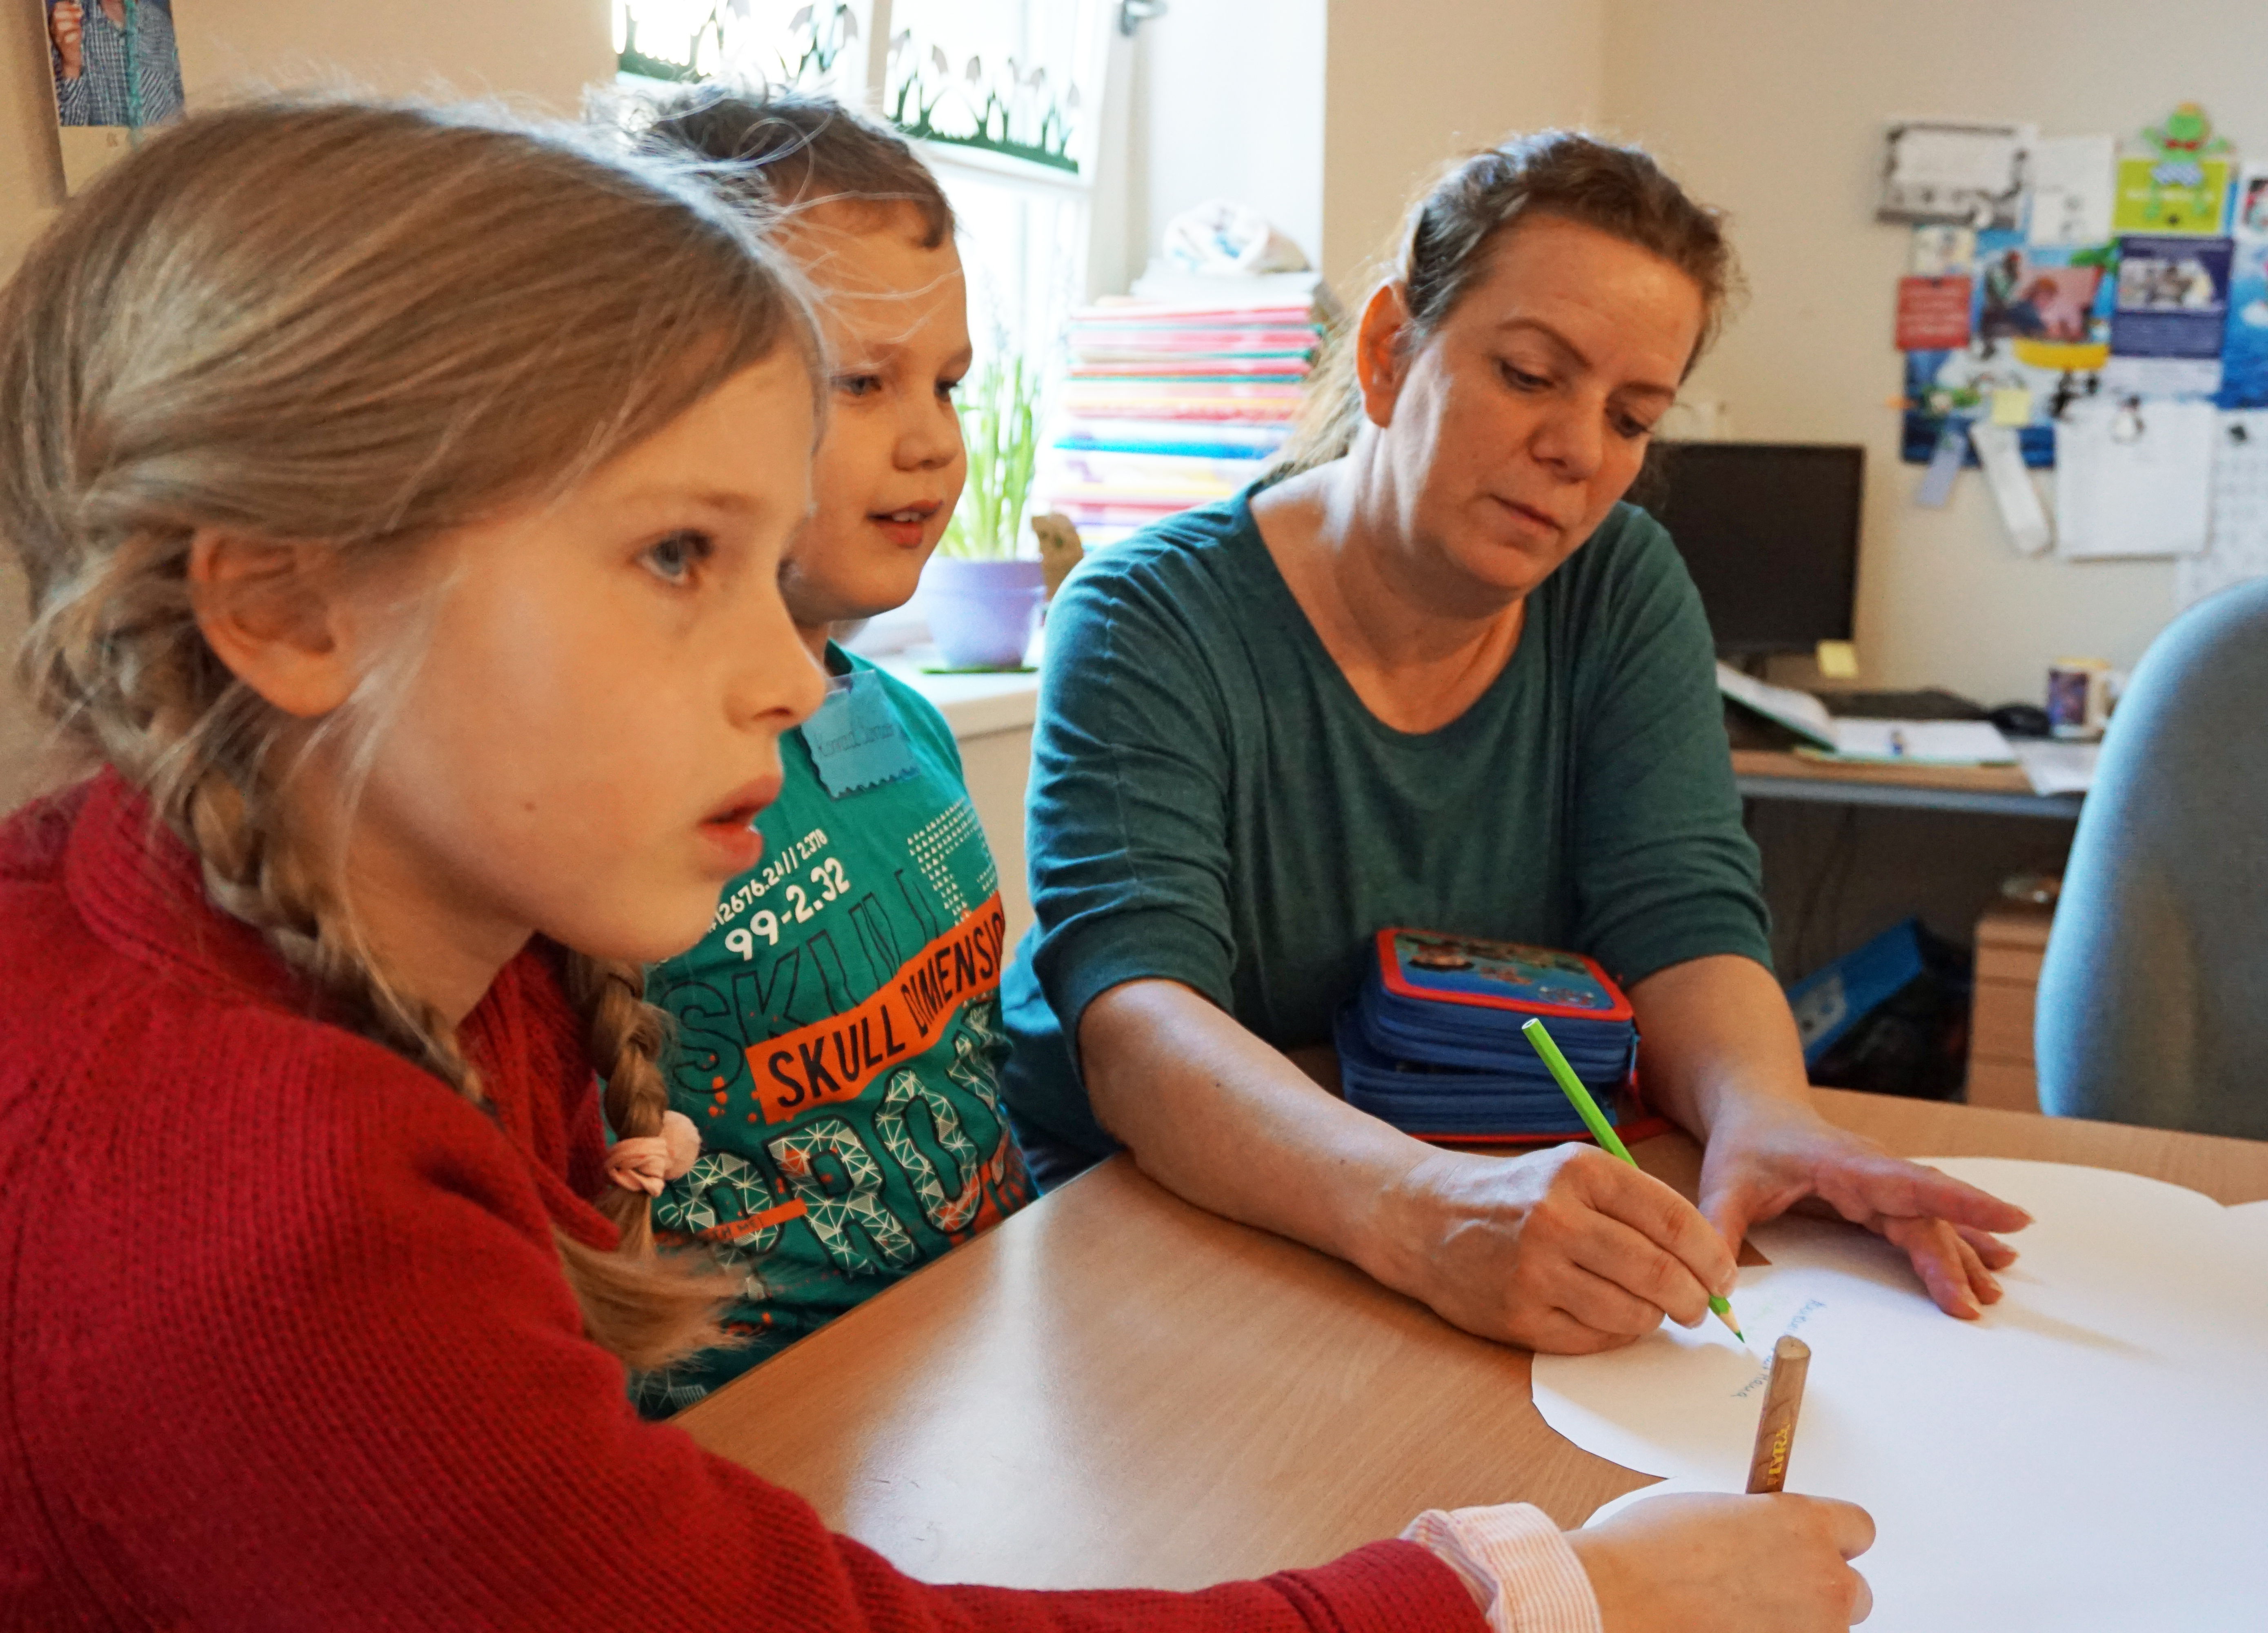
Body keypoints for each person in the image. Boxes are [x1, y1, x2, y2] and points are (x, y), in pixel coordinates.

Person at [0, 100, 1878, 1630]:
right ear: (284, 600)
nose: (776, 673)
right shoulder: (272, 1206)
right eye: (675, 557)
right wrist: (1534, 1601)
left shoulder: (401, 953)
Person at [1000, 131, 2031, 1359]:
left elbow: (1679, 912)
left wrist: (1764, 1113)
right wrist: (1424, 1211)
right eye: (1533, 374)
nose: (1580, 451)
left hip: (1443, 1202)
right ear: (1389, 352)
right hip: (1146, 1217)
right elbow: (1138, 1029)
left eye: (1632, 415)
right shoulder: (1144, 616)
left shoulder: (1618, 582)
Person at [618, 91, 1034, 1418]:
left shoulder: (900, 724)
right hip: (769, 1433)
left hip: (984, 1362)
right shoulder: (597, 801)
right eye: (861, 381)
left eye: (950, 384)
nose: (932, 439)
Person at [47, 0, 185, 128]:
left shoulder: (167, 29)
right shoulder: (65, 28)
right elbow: (70, 141)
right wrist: (71, 65)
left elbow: (184, 121)